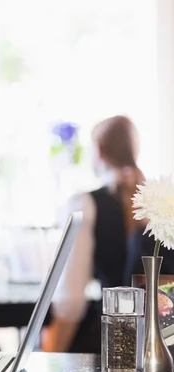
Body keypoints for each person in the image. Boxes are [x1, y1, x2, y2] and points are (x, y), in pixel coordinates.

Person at [42, 115, 145, 354]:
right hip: (161, 346)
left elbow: (71, 301)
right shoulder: (160, 204)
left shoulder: (87, 204)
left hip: (114, 348)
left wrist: (48, 357)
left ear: (98, 151)